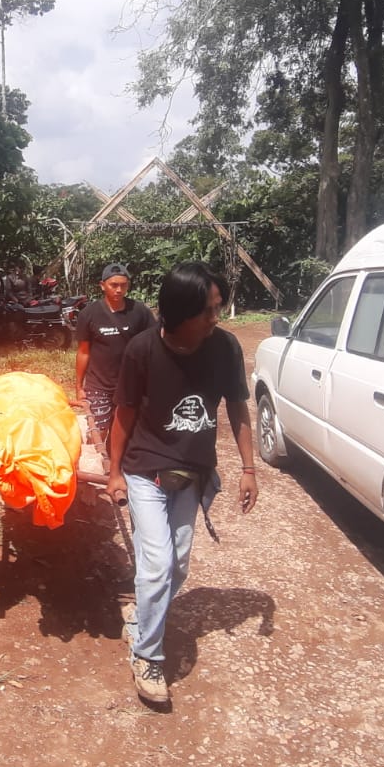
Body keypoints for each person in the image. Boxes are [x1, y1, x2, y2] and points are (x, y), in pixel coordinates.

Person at [106, 261, 257, 706]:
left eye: (218, 308)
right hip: (145, 470)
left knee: (179, 565)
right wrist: (114, 473)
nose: (216, 318)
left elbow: (237, 408)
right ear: (178, 312)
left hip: (192, 472)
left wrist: (249, 469)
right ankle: (147, 655)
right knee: (157, 563)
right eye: (208, 311)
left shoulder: (226, 348)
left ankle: (140, 612)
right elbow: (125, 413)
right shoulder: (142, 350)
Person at [73, 263, 155, 443]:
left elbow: (152, 345)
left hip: (130, 385)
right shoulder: (89, 314)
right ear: (102, 285)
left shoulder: (139, 311)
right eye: (114, 285)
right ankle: (99, 464)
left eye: (123, 285)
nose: (119, 290)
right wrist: (79, 387)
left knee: (126, 432)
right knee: (98, 432)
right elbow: (83, 352)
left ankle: (118, 465)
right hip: (99, 386)